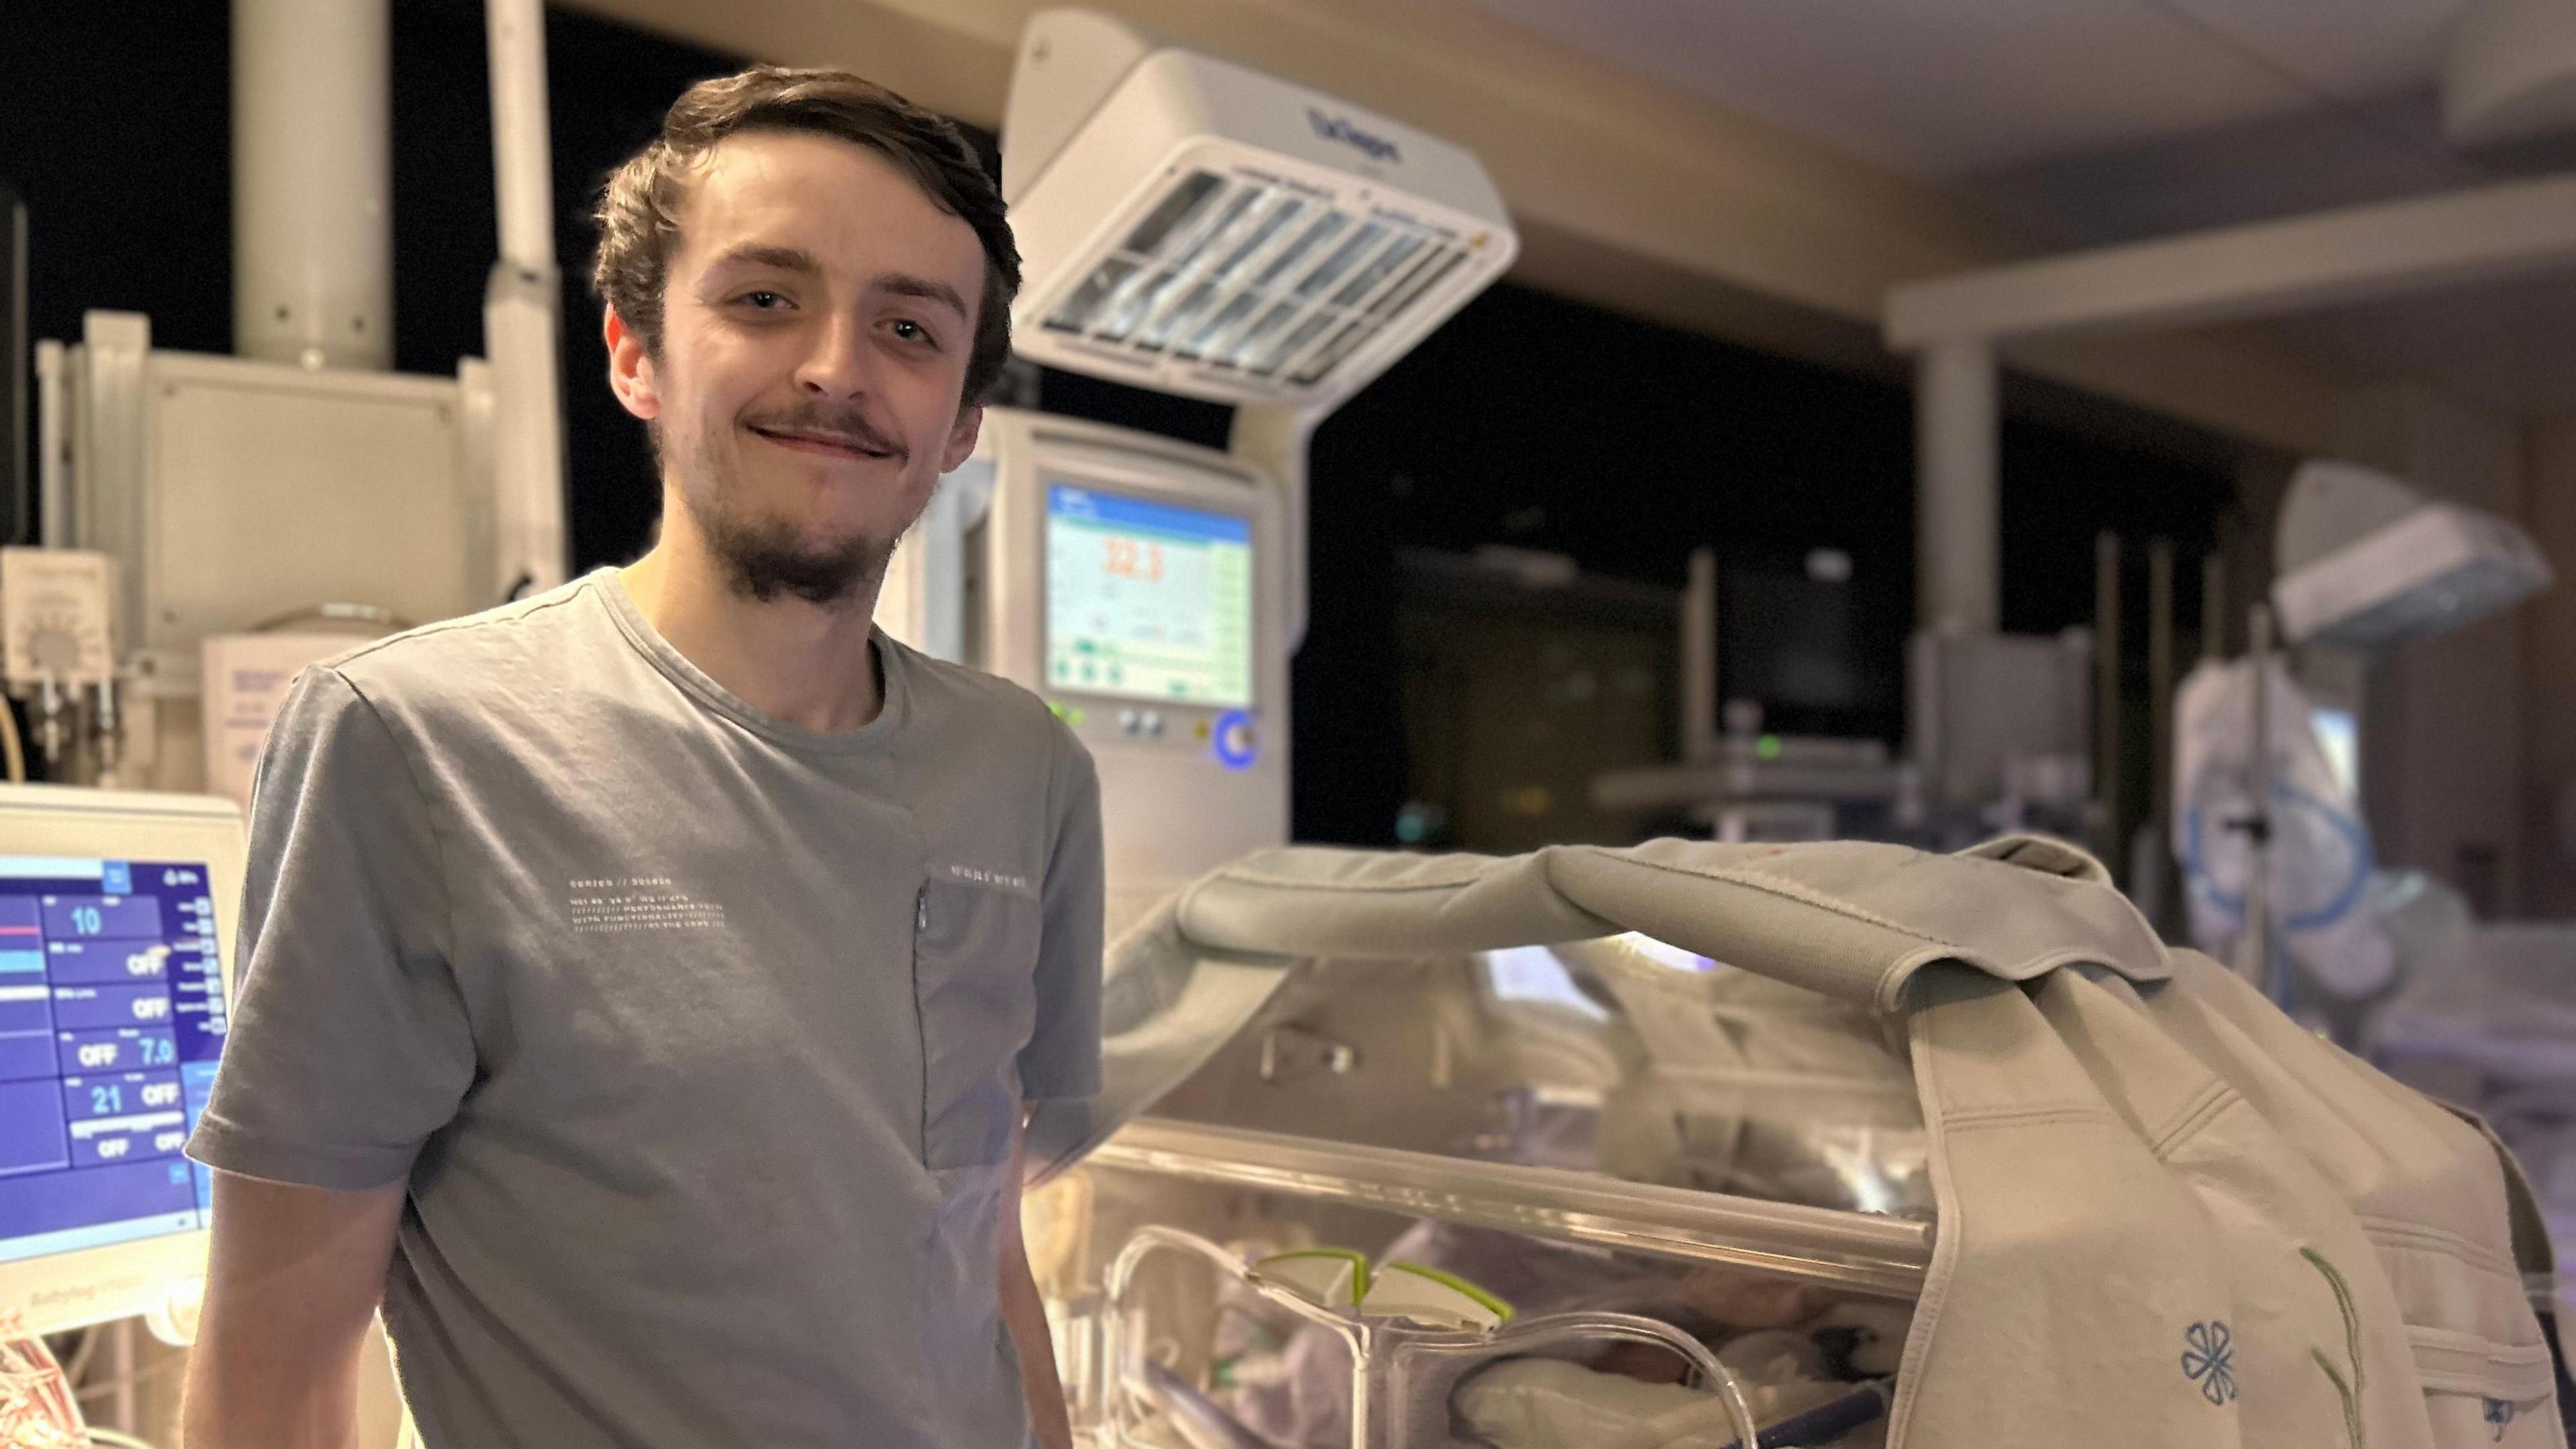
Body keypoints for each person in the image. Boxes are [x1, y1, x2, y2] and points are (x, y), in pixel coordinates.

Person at [178, 66, 1102, 1449]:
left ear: (961, 423)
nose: (837, 366)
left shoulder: (1023, 770)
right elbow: (277, 1379)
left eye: (910, 327)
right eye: (764, 298)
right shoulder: (415, 750)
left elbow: (979, 1250)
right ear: (634, 354)